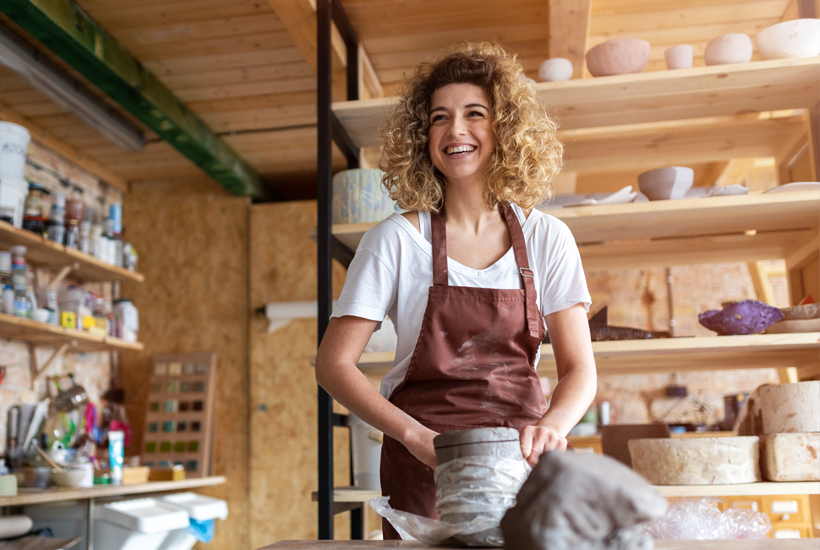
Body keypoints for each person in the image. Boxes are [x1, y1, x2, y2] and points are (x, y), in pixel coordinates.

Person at [315, 42, 597, 540]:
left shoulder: (547, 238)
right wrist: (415, 437)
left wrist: (554, 426)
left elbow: (580, 370)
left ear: (505, 128)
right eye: (439, 118)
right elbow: (333, 364)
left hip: (522, 464)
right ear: (423, 138)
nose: (455, 130)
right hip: (426, 466)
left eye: (475, 114)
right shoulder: (397, 240)